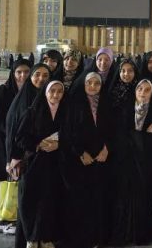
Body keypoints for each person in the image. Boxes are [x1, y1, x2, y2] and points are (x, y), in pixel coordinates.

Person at [107, 79, 152, 246]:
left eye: (147, 90)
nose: (143, 93)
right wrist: (142, 133)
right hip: (125, 162)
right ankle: (124, 234)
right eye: (140, 89)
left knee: (142, 199)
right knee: (123, 198)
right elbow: (120, 136)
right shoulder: (125, 110)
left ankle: (140, 234)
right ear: (135, 91)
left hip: (145, 164)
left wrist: (137, 134)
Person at [13, 81, 67, 248]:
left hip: (56, 165)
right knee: (30, 201)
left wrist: (59, 144)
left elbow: (73, 134)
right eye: (52, 91)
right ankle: (32, 237)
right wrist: (38, 144)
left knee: (50, 202)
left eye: (59, 92)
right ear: (45, 92)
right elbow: (20, 138)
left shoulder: (66, 113)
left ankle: (46, 238)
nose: (55, 95)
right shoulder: (32, 112)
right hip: (34, 164)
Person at [62, 72, 112, 248]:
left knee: (100, 200)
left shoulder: (106, 103)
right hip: (81, 160)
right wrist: (80, 153)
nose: (92, 86)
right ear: (83, 84)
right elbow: (68, 131)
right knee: (82, 200)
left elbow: (114, 129)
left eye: (96, 83)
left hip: (102, 159)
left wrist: (107, 148)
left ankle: (99, 238)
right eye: (89, 83)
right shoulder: (74, 104)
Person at [0, 59, 31, 233]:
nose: (23, 76)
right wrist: (14, 134)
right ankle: (5, 216)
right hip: (4, 144)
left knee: (22, 181)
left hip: (26, 145)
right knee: (4, 180)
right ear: (13, 73)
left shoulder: (33, 91)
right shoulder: (3, 92)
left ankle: (20, 217)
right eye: (19, 72)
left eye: (26, 72)